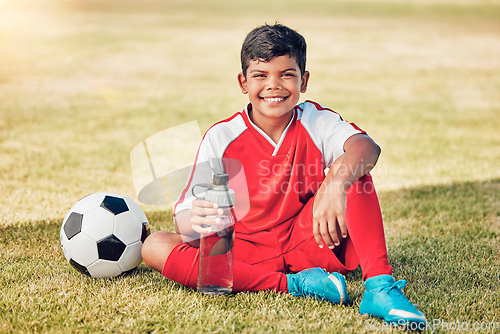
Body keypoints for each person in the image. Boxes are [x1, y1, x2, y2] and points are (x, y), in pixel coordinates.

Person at [142, 23, 426, 327]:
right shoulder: (221, 136)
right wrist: (194, 221)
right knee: (155, 245)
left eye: (286, 74)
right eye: (261, 75)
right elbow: (185, 220)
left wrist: (334, 182)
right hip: (246, 250)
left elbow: (366, 148)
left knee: (355, 173)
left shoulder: (316, 121)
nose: (273, 85)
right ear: (243, 82)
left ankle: (380, 289)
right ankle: (296, 285)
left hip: (311, 240)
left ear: (303, 81)